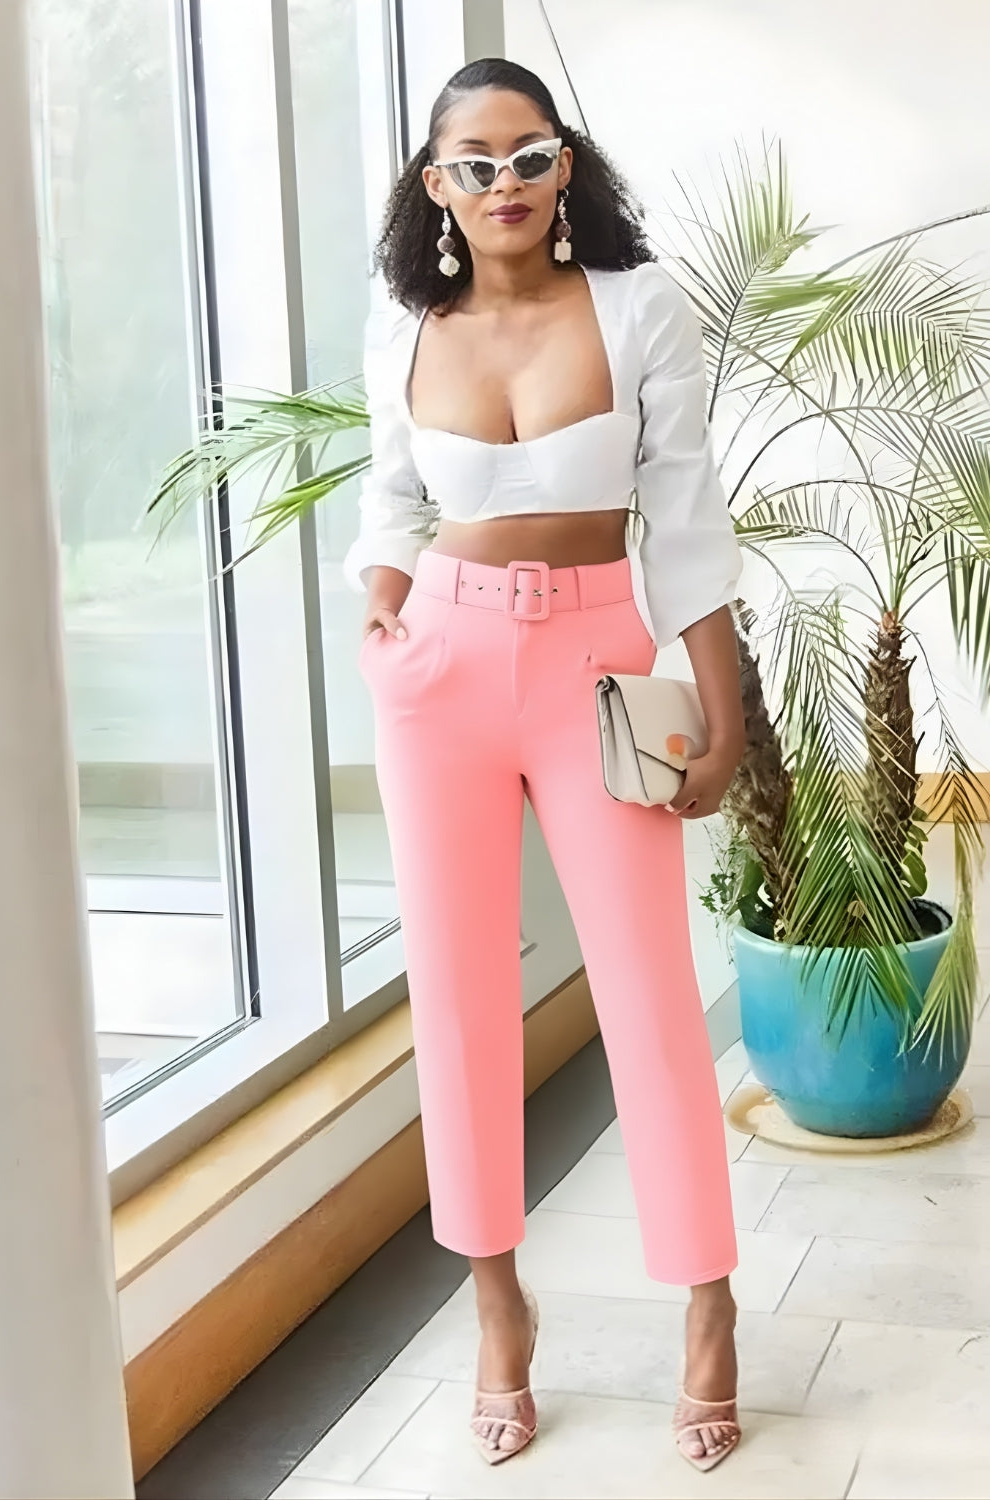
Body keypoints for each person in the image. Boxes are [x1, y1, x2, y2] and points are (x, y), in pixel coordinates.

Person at [343, 56, 745, 1474]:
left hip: (593, 664)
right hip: (439, 672)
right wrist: (382, 601)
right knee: (457, 1001)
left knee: (646, 996)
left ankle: (707, 1306)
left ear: (562, 164)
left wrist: (725, 707)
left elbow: (685, 518)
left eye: (528, 157)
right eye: (473, 161)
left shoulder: (637, 307)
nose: (503, 184)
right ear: (436, 181)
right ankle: (498, 1312)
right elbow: (394, 492)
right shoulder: (403, 319)